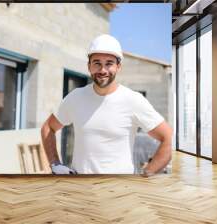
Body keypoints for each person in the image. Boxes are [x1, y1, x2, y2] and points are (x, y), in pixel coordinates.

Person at [40, 34, 172, 176]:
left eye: (109, 63)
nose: (103, 70)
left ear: (118, 66)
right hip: (80, 190)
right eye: (97, 63)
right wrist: (55, 164)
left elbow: (169, 138)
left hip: (119, 191)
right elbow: (48, 127)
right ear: (89, 66)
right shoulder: (75, 97)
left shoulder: (133, 100)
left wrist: (146, 174)